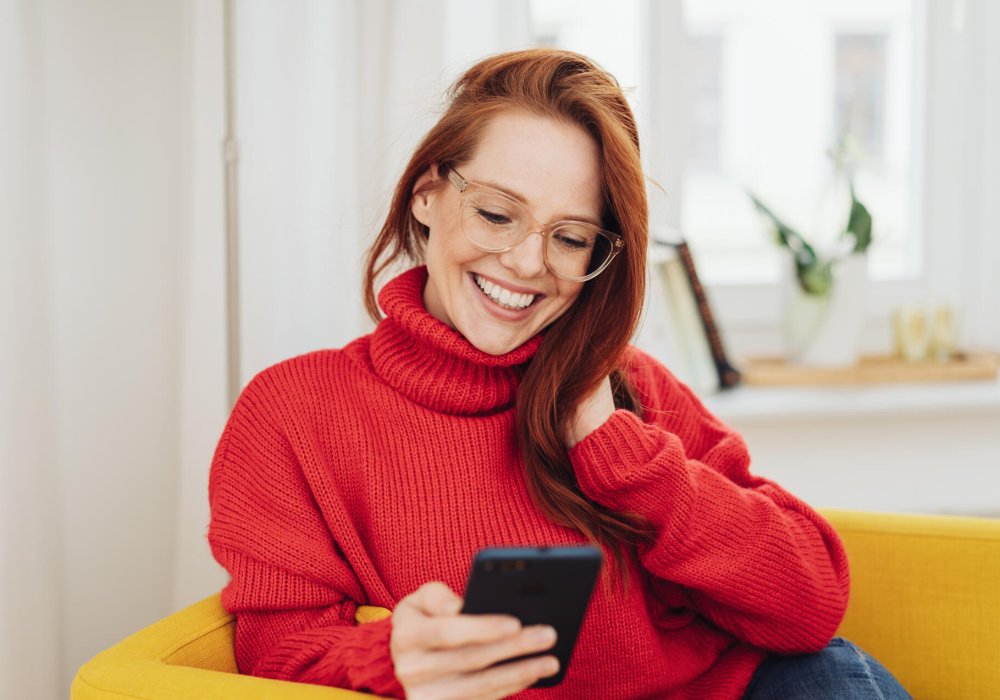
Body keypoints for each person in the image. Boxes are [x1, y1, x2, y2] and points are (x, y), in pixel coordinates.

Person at [207, 48, 911, 700]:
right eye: (496, 213)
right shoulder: (294, 412)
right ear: (427, 195)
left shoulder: (627, 386)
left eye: (570, 237)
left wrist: (619, 452)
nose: (525, 262)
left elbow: (811, 603)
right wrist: (388, 658)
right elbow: (278, 650)